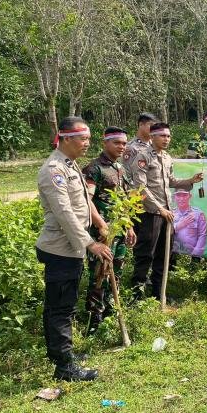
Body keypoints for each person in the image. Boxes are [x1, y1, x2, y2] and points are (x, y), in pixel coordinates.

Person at [35, 117, 112, 381]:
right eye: (83, 139)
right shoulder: (54, 169)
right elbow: (64, 212)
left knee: (62, 304)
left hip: (71, 248)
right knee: (61, 307)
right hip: (61, 249)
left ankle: (61, 355)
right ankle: (64, 366)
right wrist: (90, 243)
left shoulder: (71, 165)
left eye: (89, 139)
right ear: (66, 138)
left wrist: (99, 224)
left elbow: (82, 202)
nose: (87, 144)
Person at [130, 122, 203, 300]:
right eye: (163, 136)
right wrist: (159, 208)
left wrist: (190, 180)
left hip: (166, 213)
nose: (167, 139)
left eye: (169, 136)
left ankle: (158, 294)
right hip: (150, 214)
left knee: (164, 256)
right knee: (145, 254)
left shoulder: (167, 157)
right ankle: (136, 296)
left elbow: (171, 181)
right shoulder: (142, 156)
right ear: (152, 136)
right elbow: (140, 187)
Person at [81, 126, 137, 335]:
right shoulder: (94, 168)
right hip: (102, 233)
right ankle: (94, 320)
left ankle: (110, 313)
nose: (121, 146)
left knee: (117, 271)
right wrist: (100, 224)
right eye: (117, 143)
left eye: (124, 143)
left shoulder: (119, 168)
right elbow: (87, 200)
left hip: (119, 231)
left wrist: (129, 226)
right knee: (99, 274)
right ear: (105, 143)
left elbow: (123, 200)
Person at [173, 189, 207, 257]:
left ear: (190, 196)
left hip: (192, 253)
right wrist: (179, 226)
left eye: (185, 195)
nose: (181, 198)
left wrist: (196, 254)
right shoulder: (171, 213)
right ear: (174, 197)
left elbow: (202, 235)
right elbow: (164, 232)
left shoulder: (198, 214)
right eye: (178, 195)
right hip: (173, 254)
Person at [122, 112, 157, 179]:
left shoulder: (155, 145)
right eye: (151, 125)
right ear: (141, 125)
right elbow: (127, 176)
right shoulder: (131, 148)